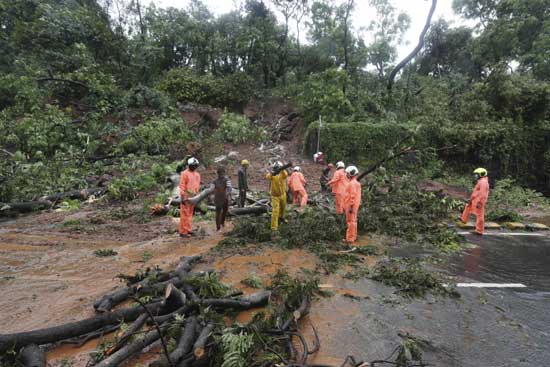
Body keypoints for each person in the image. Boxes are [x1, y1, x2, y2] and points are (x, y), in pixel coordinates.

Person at [461, 168, 490, 235]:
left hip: (479, 201)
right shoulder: (481, 181)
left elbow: (483, 194)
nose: (475, 176)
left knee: (480, 216)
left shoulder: (483, 182)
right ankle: (463, 220)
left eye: (476, 174)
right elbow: (476, 192)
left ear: (481, 174)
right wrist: (471, 199)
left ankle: (479, 231)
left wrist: (480, 203)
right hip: (475, 199)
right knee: (467, 207)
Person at [266, 161, 291, 231]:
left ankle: (281, 218)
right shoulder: (273, 175)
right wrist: (272, 172)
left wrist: (282, 169)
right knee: (275, 211)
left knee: (283, 208)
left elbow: (286, 174)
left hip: (283, 194)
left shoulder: (283, 174)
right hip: (275, 196)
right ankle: (274, 227)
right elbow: (267, 177)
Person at [179, 157, 201, 238]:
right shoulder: (184, 174)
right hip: (186, 197)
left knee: (190, 214)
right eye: (193, 166)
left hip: (193, 197)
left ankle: (188, 229)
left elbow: (197, 186)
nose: (194, 167)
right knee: (184, 214)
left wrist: (197, 197)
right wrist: (182, 197)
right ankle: (183, 232)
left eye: (195, 166)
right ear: (189, 165)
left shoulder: (197, 175)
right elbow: (182, 186)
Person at [343, 165, 361, 244]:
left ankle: (350, 239)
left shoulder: (352, 184)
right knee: (353, 221)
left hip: (351, 206)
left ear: (351, 173)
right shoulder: (355, 183)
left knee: (350, 222)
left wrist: (350, 206)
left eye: (347, 173)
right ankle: (353, 237)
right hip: (353, 206)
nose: (346, 175)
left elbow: (352, 196)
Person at [211, 166, 232, 232]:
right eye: (220, 173)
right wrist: (211, 195)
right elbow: (211, 189)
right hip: (217, 198)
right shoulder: (214, 181)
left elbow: (229, 188)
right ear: (218, 174)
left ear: (224, 173)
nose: (221, 175)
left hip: (225, 198)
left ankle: (222, 222)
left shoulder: (227, 180)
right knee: (218, 213)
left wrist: (228, 194)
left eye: (222, 173)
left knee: (225, 210)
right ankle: (218, 227)